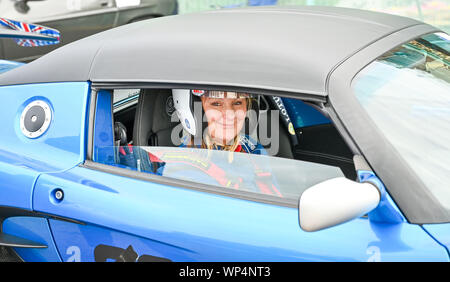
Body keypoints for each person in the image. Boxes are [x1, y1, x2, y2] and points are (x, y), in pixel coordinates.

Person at [172, 89, 266, 156]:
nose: (231, 114)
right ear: (196, 110)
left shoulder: (252, 148)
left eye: (237, 103)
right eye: (216, 104)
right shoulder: (182, 166)